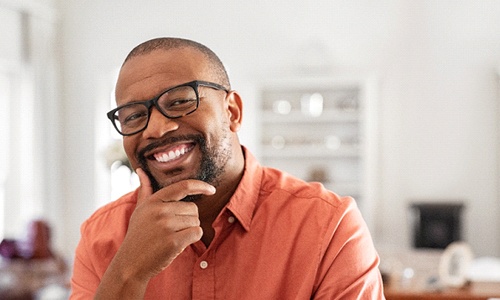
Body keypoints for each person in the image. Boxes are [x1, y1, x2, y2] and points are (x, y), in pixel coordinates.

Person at [70, 37, 385, 299]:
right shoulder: (102, 237)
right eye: (133, 116)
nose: (156, 128)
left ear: (232, 111)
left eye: (180, 101)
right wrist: (129, 271)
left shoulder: (329, 227)